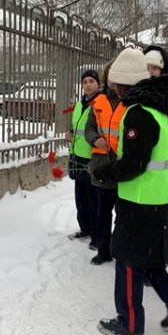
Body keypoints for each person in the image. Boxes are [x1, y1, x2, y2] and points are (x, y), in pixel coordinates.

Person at [92, 48, 168, 335]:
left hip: (140, 200)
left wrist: (104, 172)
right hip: (164, 197)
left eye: (116, 85)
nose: (114, 90)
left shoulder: (139, 113)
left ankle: (129, 323)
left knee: (126, 260)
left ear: (125, 84)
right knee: (148, 258)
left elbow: (133, 165)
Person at [84, 60, 124, 265]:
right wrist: (94, 139)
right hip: (101, 164)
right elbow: (89, 127)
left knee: (123, 213)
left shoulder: (131, 102)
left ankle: (120, 249)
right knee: (103, 211)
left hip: (123, 164)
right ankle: (103, 249)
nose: (114, 82)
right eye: (110, 77)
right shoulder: (98, 102)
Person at [66, 70, 103, 244]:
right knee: (80, 198)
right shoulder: (80, 104)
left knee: (93, 200)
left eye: (91, 81)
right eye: (85, 82)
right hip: (78, 156)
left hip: (93, 158)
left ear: (98, 84)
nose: (88, 85)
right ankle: (85, 228)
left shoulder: (100, 104)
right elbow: (78, 127)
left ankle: (97, 236)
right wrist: (71, 133)